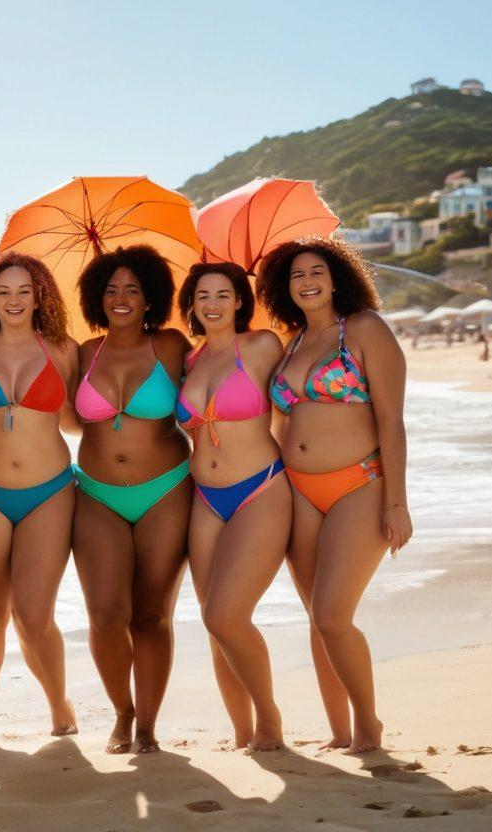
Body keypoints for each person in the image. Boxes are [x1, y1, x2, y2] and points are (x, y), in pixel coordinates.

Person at [258, 238, 413, 754]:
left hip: (359, 484)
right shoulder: (292, 343)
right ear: (284, 288)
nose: (307, 282)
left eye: (316, 272)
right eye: (296, 275)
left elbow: (391, 420)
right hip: (299, 489)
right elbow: (277, 426)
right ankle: (339, 731)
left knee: (331, 615)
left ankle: (368, 724)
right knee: (315, 618)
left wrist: (397, 502)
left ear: (336, 277)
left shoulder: (364, 328)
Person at [70, 245, 193, 753]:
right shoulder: (83, 353)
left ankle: (147, 727)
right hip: (96, 494)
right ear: (96, 298)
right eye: (111, 289)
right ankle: (122, 711)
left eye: (133, 289)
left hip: (166, 489)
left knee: (151, 615)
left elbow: (215, 382)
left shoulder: (171, 345)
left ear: (150, 298)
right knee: (104, 615)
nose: (120, 298)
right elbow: (61, 418)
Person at [0, 251, 79, 741]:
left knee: (33, 616)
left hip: (49, 493)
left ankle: (59, 705)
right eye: (3, 291)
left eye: (23, 291)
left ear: (39, 297)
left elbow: (79, 420)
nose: (13, 300)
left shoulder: (63, 351)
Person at [175, 261, 290, 752]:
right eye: (203, 296)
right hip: (205, 497)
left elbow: (296, 404)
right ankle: (242, 731)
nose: (213, 304)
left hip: (260, 488)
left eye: (223, 295)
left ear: (240, 301)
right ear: (191, 305)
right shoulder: (191, 360)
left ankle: (269, 719)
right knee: (213, 623)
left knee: (226, 615)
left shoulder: (262, 346)